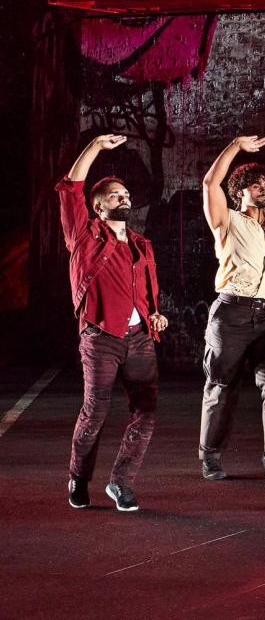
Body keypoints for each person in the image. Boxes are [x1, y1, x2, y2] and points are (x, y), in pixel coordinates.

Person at [58, 134, 168, 512]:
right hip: (101, 336)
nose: (125, 198)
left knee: (146, 411)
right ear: (98, 205)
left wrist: (154, 312)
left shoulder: (142, 244)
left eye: (126, 195)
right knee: (95, 411)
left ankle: (120, 483)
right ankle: (78, 477)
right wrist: (94, 148)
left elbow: (146, 289)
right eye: (115, 195)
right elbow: (71, 186)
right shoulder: (84, 236)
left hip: (139, 338)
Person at [198, 136, 265, 482]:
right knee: (222, 385)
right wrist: (236, 146)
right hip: (231, 314)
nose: (263, 188)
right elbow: (211, 182)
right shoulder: (227, 221)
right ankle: (210, 455)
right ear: (240, 190)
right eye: (256, 185)